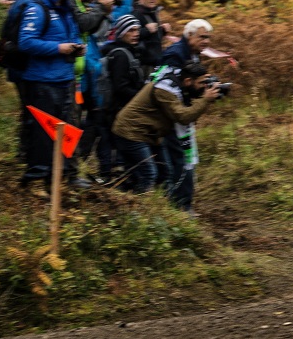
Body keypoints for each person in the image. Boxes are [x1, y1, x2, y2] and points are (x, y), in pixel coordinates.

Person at [17, 0, 89, 192]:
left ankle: (58, 177)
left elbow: (73, 35)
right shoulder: (37, 10)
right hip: (42, 81)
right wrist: (59, 48)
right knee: (42, 132)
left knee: (65, 130)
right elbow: (26, 42)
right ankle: (35, 179)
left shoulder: (66, 10)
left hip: (65, 80)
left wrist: (77, 47)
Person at [111, 62, 219, 204]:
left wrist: (204, 96)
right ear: (188, 81)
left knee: (165, 173)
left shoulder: (179, 84)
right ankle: (139, 208)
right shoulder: (165, 89)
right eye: (202, 83)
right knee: (149, 174)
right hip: (131, 132)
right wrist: (205, 99)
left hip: (149, 134)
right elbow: (183, 117)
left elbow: (188, 108)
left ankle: (157, 205)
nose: (204, 87)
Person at [156, 19, 213, 211]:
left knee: (185, 159)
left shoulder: (193, 54)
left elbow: (188, 85)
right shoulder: (175, 54)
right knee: (180, 160)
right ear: (189, 35)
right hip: (173, 117)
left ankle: (182, 204)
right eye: (202, 37)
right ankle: (180, 206)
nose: (206, 41)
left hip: (182, 114)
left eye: (208, 38)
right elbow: (168, 87)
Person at [0, 0, 50, 163]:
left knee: (28, 109)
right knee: (31, 109)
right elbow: (23, 41)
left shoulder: (24, 0)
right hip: (23, 67)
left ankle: (24, 153)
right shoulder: (28, 4)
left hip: (18, 66)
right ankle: (26, 155)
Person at [70, 0, 116, 173]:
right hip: (73, 72)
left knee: (90, 117)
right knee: (72, 120)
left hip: (85, 72)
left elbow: (94, 30)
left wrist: (103, 11)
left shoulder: (84, 2)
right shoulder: (72, 0)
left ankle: (73, 166)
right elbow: (83, 24)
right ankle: (67, 169)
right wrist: (99, 8)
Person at [94, 15, 146, 183]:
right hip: (116, 108)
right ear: (122, 32)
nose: (136, 33)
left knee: (113, 144)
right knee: (113, 144)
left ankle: (115, 178)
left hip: (120, 107)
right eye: (131, 30)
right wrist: (141, 96)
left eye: (137, 30)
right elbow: (120, 86)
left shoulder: (130, 51)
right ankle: (110, 178)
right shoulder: (121, 55)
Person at [131, 0, 170, 75]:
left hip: (156, 62)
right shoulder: (135, 15)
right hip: (144, 65)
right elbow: (127, 37)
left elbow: (153, 38)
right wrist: (146, 31)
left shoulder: (153, 12)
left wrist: (162, 31)